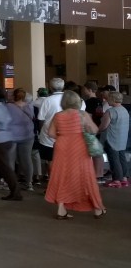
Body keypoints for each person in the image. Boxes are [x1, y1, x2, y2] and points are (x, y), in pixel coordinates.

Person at [44, 90, 106, 219]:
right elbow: (94, 129)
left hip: (62, 145)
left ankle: (61, 210)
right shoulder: (82, 114)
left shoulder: (58, 115)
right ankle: (97, 208)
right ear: (77, 101)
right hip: (79, 146)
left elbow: (50, 133)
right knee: (85, 175)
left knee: (62, 175)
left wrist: (63, 136)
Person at [37, 78, 86, 178]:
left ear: (50, 87)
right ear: (63, 87)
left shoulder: (48, 100)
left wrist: (41, 132)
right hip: (71, 137)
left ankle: (53, 182)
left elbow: (41, 119)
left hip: (49, 137)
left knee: (51, 160)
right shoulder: (76, 100)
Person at [6, 88, 35, 191]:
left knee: (10, 160)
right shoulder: (29, 106)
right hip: (28, 135)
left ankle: (10, 183)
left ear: (14, 96)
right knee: (26, 159)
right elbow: (32, 118)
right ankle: (29, 183)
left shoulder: (9, 106)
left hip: (13, 136)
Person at [99, 91, 130, 188]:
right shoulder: (124, 110)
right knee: (122, 158)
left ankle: (116, 180)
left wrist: (96, 130)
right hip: (122, 138)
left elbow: (103, 126)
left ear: (112, 99)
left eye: (108, 98)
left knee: (114, 159)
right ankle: (124, 179)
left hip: (112, 138)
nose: (106, 100)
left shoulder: (111, 111)